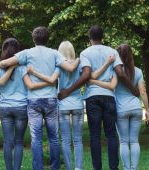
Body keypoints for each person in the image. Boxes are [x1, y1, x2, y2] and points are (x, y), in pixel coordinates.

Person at [0, 26, 80, 170]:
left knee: (36, 139)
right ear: (47, 39)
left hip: (33, 101)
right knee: (54, 137)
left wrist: (17, 62)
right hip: (51, 100)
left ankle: (38, 168)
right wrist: (78, 59)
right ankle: (55, 168)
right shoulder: (54, 53)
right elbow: (71, 68)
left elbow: (3, 63)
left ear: (33, 38)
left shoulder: (27, 53)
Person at [58, 25, 138, 170]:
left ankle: (97, 168)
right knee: (111, 135)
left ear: (90, 38)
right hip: (109, 97)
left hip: (92, 97)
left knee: (94, 135)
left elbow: (86, 74)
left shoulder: (85, 53)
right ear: (103, 37)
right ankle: (114, 167)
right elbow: (120, 73)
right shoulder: (112, 51)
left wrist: (68, 91)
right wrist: (134, 90)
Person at [27, 40, 115, 170]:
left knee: (66, 140)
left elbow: (51, 79)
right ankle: (78, 168)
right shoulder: (79, 65)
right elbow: (84, 80)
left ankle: (69, 167)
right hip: (78, 104)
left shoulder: (58, 65)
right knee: (78, 140)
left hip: (63, 105)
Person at [0, 38, 52, 170]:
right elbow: (29, 85)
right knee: (19, 142)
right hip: (21, 107)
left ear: (4, 50)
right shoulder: (23, 68)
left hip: (5, 108)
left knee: (7, 142)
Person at [89, 44, 149, 170]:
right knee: (134, 141)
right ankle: (134, 168)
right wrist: (147, 110)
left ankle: (127, 168)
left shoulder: (115, 71)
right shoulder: (138, 71)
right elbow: (142, 92)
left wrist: (93, 81)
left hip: (121, 109)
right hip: (136, 108)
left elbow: (111, 86)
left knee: (123, 141)